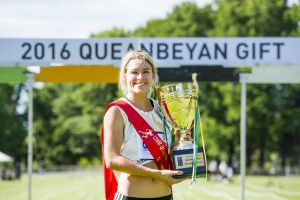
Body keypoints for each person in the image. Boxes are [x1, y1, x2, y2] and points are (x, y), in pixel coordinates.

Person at [102, 50, 186, 200]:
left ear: (153, 75)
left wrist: (180, 145)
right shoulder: (117, 111)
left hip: (165, 196)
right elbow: (111, 160)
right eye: (134, 72)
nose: (140, 77)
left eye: (146, 71)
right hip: (131, 196)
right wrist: (158, 175)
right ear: (124, 76)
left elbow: (166, 152)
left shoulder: (163, 109)